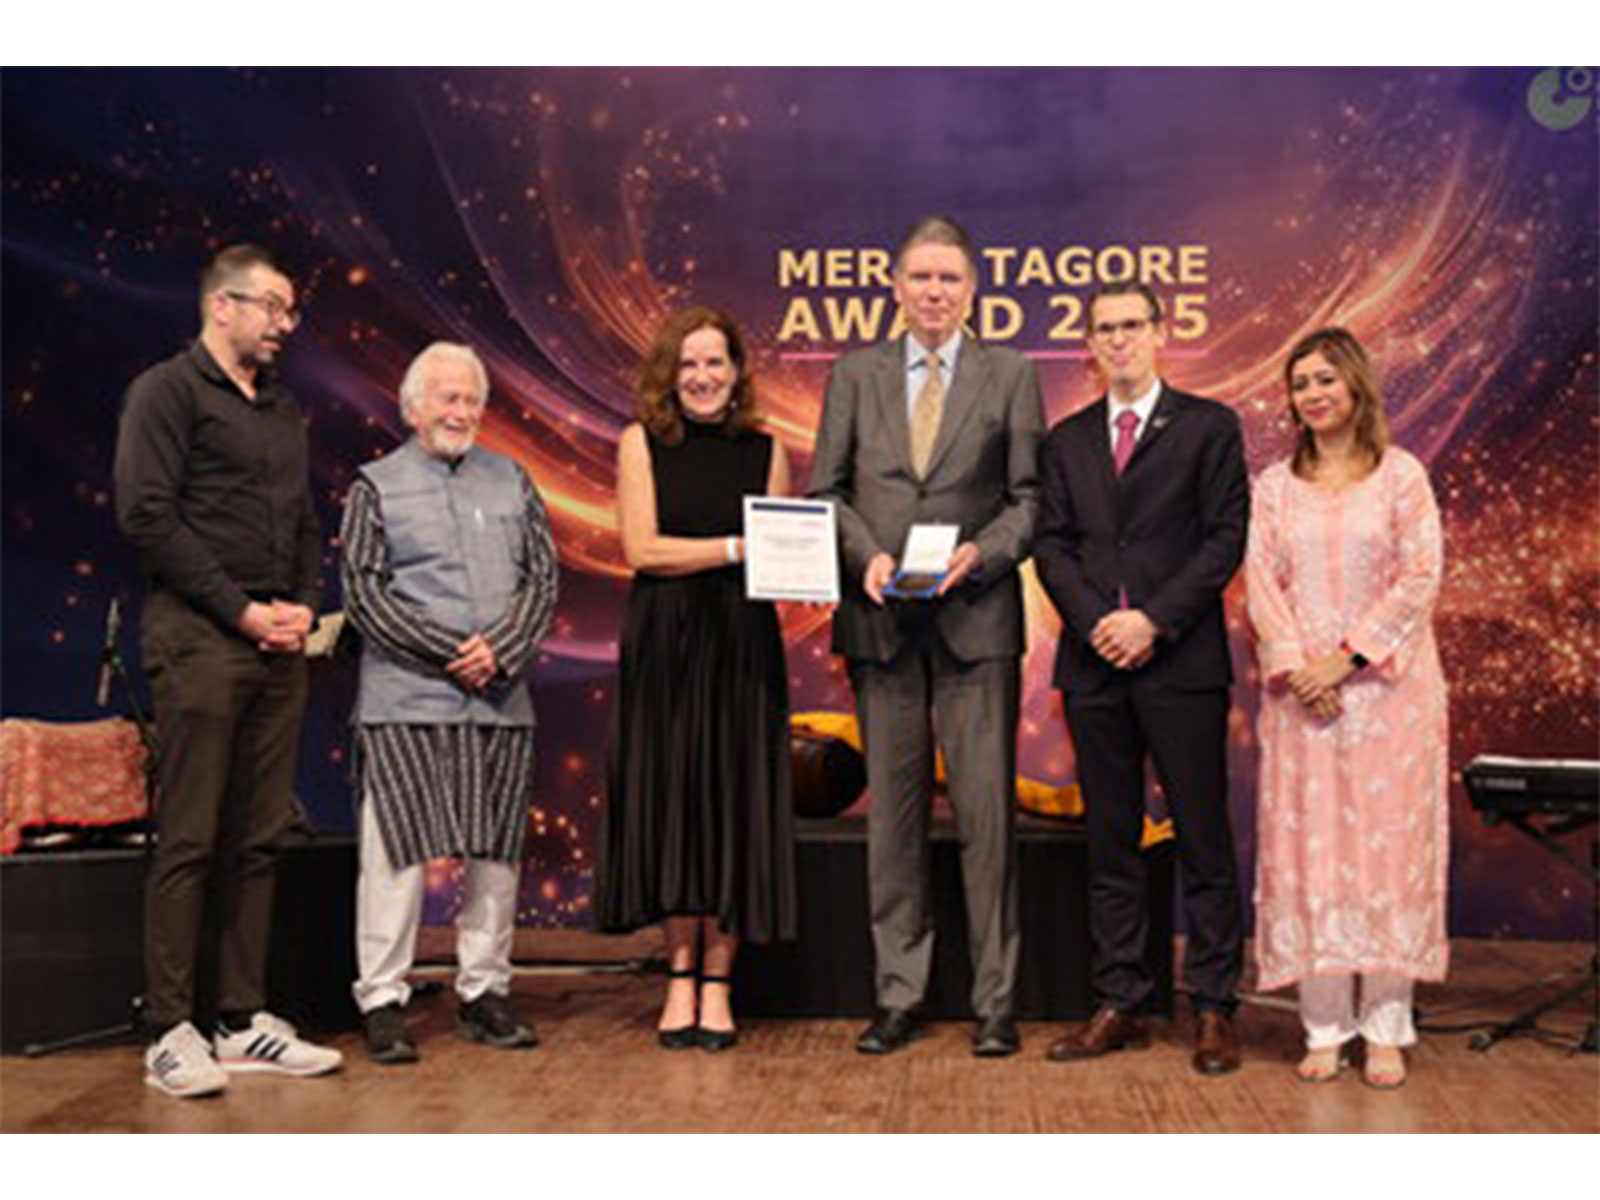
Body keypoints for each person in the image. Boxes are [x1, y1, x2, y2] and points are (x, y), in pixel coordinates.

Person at [809, 217, 1044, 1058]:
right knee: (894, 824)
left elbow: (1029, 500)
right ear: (896, 287)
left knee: (987, 822)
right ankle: (898, 995)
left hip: (976, 623)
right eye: (921, 278)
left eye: (949, 278)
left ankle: (995, 1002)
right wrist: (864, 557)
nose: (935, 291)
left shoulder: (1011, 373)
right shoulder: (853, 374)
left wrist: (982, 554)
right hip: (881, 626)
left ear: (972, 290)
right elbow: (826, 492)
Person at [114, 244, 342, 1097]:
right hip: (200, 639)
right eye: (272, 307)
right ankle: (170, 1030)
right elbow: (146, 515)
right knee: (192, 836)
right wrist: (240, 609)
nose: (285, 324)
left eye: (290, 311)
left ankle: (241, 1019)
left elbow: (305, 521)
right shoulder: (166, 392)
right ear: (222, 305)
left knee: (258, 836)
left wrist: (304, 607)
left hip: (276, 644)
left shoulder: (281, 408)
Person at [1034, 281, 1249, 1075]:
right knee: (1111, 841)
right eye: (1104, 329)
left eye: (1132, 325)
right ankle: (1119, 999)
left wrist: (1151, 621)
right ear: (1088, 345)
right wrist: (1101, 621)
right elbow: (1051, 545)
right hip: (1095, 666)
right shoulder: (1066, 440)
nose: (1119, 339)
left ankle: (1214, 1006)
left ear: (1161, 332)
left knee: (1203, 838)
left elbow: (1225, 538)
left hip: (1180, 663)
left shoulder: (1209, 427)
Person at [341, 342, 559, 1064]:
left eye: (471, 400)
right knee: (394, 860)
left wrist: (499, 651)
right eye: (447, 398)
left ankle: (485, 992)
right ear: (413, 407)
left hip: (498, 699)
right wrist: (450, 651)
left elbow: (542, 581)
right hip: (405, 702)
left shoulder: (513, 480)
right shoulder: (375, 486)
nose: (461, 412)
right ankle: (382, 1000)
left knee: (495, 855)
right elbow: (365, 593)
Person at [1245, 327, 1448, 1089]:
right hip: (1304, 703)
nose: (1313, 394)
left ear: (1356, 383)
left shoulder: (1401, 477)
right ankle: (1325, 1027)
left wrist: (1347, 658)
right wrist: (1302, 670)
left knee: (1388, 857)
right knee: (1314, 854)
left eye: (1326, 378)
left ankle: (1387, 1028)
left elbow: (1420, 576)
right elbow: (1260, 582)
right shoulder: (1274, 487)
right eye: (1301, 383)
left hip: (1391, 699)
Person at [598, 306, 797, 1052]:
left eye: (715, 362)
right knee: (677, 804)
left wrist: (774, 556)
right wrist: (737, 547)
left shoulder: (768, 450)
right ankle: (679, 974)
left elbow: (782, 556)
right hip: (667, 641)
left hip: (743, 641)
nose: (703, 377)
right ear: (668, 374)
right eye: (688, 364)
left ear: (737, 372)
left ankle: (719, 981)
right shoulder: (640, 442)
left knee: (734, 806)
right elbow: (643, 551)